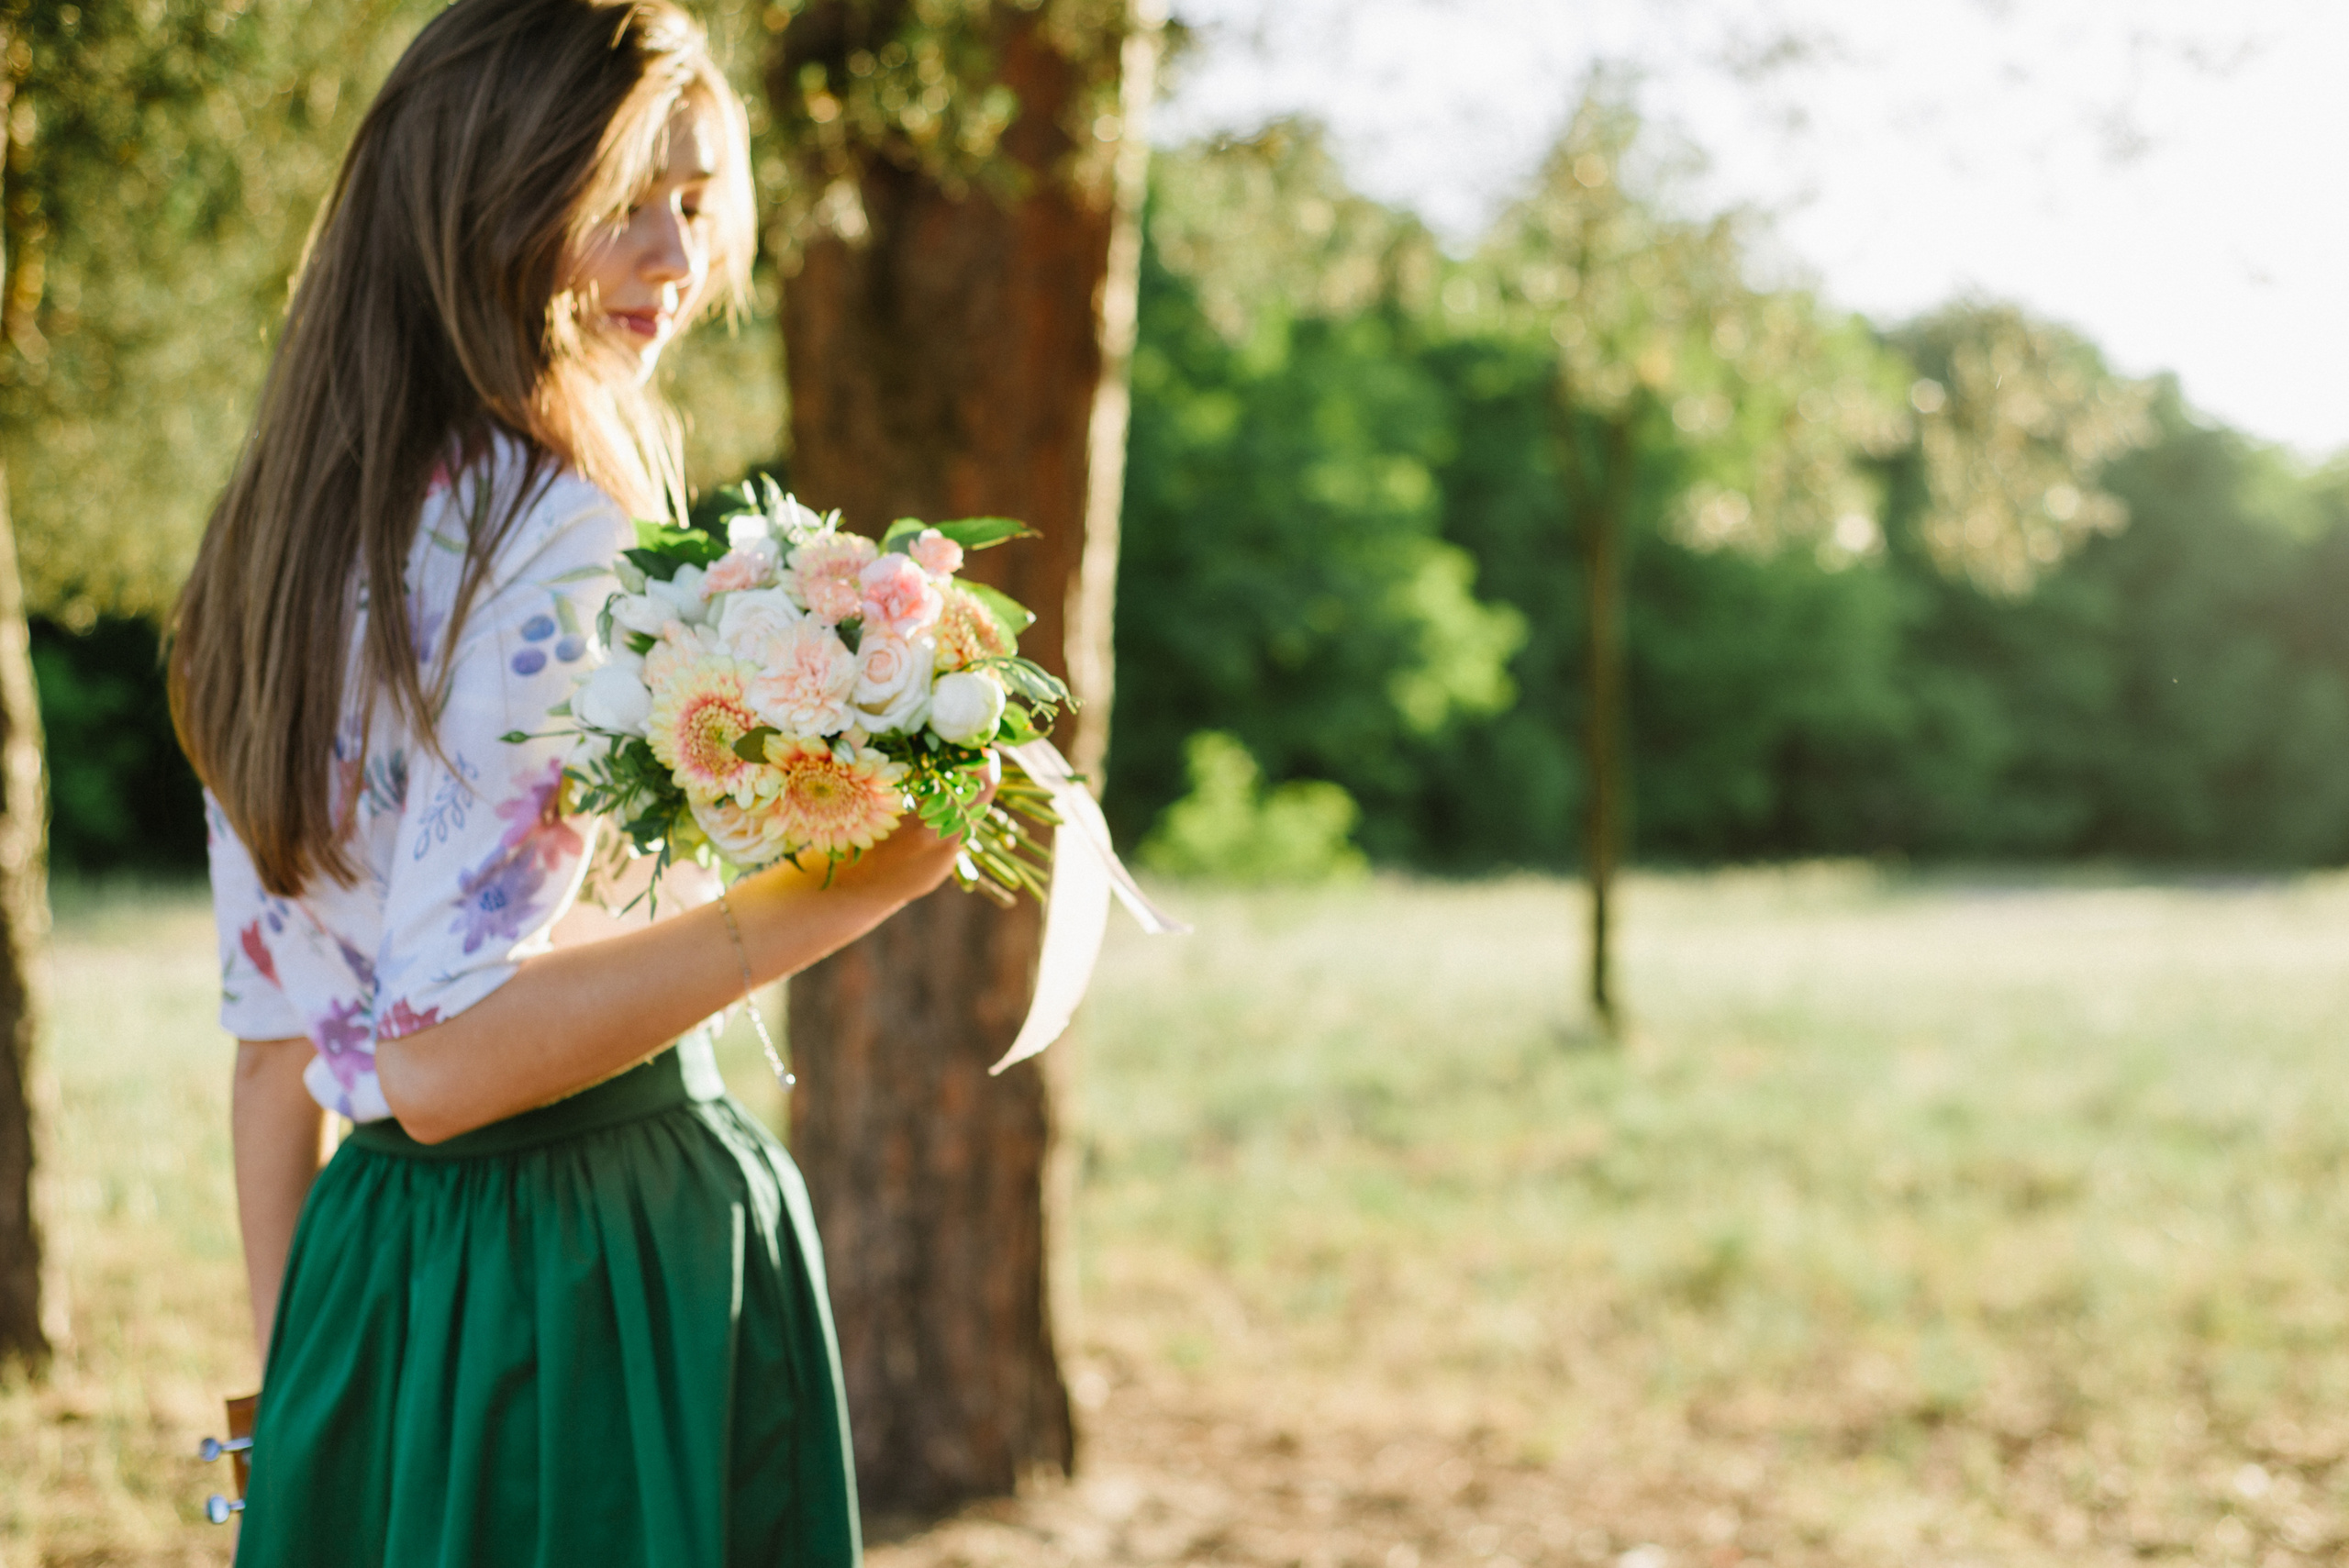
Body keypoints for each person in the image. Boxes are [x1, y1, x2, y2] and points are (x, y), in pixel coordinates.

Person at [168, 2, 960, 1560]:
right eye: (623, 205)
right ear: (485, 195)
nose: (674, 262)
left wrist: (293, 1408)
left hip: (364, 1276)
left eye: (694, 199)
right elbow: (443, 1058)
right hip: (587, 1264)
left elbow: (280, 1051)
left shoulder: (272, 540)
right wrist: (840, 888)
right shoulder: (557, 534)